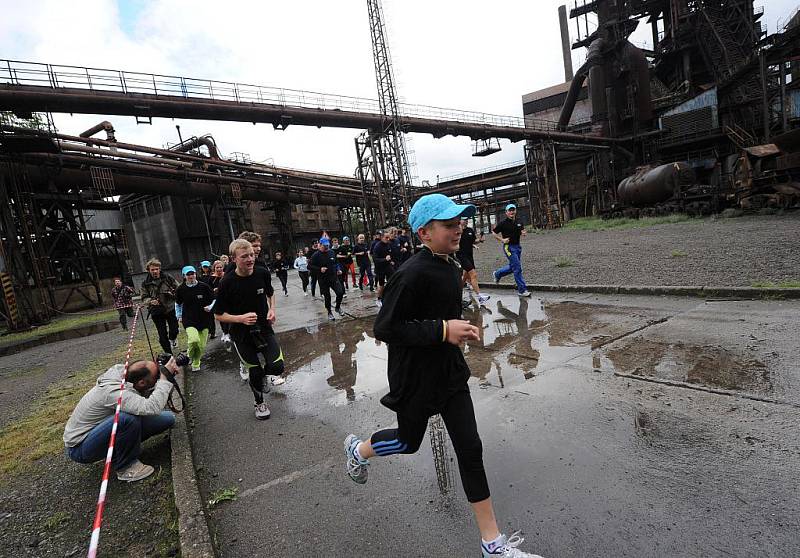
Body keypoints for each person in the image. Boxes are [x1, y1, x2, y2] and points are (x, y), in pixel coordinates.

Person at [342, 193, 543, 558]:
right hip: (416, 378)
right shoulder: (410, 274)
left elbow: (442, 317)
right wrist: (441, 330)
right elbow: (385, 327)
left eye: (460, 222)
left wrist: (459, 329)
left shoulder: (451, 268)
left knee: (471, 449)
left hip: (449, 373)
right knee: (408, 442)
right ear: (424, 233)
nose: (459, 228)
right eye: (450, 224)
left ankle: (492, 545)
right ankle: (358, 450)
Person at [63, 357, 179, 482]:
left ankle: (119, 449)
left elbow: (143, 402)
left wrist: (165, 378)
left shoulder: (124, 374)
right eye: (157, 375)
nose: (158, 377)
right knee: (127, 419)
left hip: (101, 429)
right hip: (81, 447)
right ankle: (126, 467)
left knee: (168, 419)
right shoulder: (114, 392)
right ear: (141, 383)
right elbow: (151, 407)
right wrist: (164, 380)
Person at [215, 239, 286, 419]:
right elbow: (218, 314)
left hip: (264, 328)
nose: (250, 259)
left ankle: (263, 376)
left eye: (252, 255)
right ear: (234, 259)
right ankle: (259, 403)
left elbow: (271, 294)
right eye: (244, 256)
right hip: (241, 334)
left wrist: (272, 310)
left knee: (277, 366)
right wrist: (240, 318)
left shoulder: (262, 273)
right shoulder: (227, 282)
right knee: (254, 371)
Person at [175, 266, 215, 371]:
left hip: (204, 319)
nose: (191, 276)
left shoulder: (204, 287)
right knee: (194, 339)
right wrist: (178, 315)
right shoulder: (181, 289)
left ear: (195, 274)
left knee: (201, 346)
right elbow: (178, 304)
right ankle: (189, 355)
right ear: (184, 276)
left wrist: (210, 307)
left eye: (192, 273)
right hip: (189, 319)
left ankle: (196, 363)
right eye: (188, 274)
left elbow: (214, 299)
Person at [140, 258, 180, 354]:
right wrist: (150, 301)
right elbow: (144, 298)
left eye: (157, 269)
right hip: (156, 311)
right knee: (162, 334)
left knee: (174, 329)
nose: (155, 271)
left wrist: (173, 293)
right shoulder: (145, 283)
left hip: (170, 308)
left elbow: (178, 288)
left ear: (160, 269)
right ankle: (168, 354)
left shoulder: (167, 277)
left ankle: (173, 339)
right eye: (152, 269)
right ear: (148, 270)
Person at [492, 204, 531, 298]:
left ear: (515, 211)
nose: (511, 212)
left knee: (513, 267)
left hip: (517, 247)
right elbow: (493, 232)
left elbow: (522, 230)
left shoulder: (519, 221)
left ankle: (497, 273)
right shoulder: (503, 223)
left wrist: (523, 233)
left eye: (513, 210)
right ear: (506, 212)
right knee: (517, 268)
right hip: (508, 247)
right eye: (509, 210)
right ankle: (522, 290)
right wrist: (502, 240)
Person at [308, 238, 344, 321]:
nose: (326, 248)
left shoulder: (331, 252)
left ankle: (337, 308)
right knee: (327, 297)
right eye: (324, 246)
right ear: (320, 245)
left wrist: (338, 269)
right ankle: (329, 312)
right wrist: (319, 269)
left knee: (340, 292)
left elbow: (336, 262)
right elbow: (309, 266)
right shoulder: (316, 255)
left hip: (333, 277)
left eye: (327, 246)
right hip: (323, 279)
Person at [458, 218, 491, 306]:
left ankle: (456, 294)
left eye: (467, 219)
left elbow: (473, 241)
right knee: (473, 274)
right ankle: (480, 296)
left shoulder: (470, 230)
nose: (465, 220)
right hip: (460, 256)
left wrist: (480, 240)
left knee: (465, 277)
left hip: (469, 256)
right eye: (463, 219)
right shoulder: (456, 231)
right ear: (459, 220)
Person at [211, 260, 232, 351]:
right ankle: (225, 332)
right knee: (220, 316)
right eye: (217, 267)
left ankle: (227, 333)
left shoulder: (226, 276)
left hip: (227, 299)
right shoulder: (211, 278)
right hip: (216, 300)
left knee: (228, 315)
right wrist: (214, 290)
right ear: (214, 268)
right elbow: (208, 289)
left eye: (220, 267)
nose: (219, 269)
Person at [371, 230, 395, 306]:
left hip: (388, 266)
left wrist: (390, 261)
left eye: (388, 237)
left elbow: (390, 254)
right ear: (381, 237)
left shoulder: (388, 244)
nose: (388, 239)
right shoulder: (377, 246)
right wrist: (385, 259)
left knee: (392, 280)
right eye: (386, 237)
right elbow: (375, 260)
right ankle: (379, 299)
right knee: (381, 284)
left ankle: (390, 297)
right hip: (380, 268)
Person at [197, 260, 216, 338]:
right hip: (202, 297)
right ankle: (208, 330)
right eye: (204, 267)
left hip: (210, 296)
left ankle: (213, 332)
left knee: (211, 315)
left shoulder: (212, 276)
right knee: (204, 315)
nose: (205, 268)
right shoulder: (200, 277)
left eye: (207, 267)